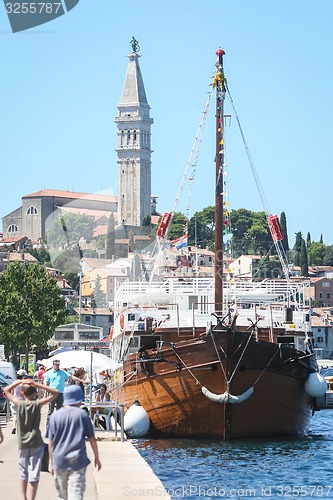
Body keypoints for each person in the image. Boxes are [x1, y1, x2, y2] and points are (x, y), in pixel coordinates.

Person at [4, 378, 59, 500]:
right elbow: (55, 392)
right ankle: (32, 498)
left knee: (23, 471)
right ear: (34, 393)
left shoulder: (19, 404)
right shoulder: (37, 404)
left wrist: (19, 382)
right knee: (34, 472)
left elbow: (6, 390)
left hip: (22, 442)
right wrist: (37, 384)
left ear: (22, 393)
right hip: (36, 442)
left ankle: (23, 497)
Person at [46, 384, 101, 499]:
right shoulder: (82, 415)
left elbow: (51, 442)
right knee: (76, 493)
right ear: (78, 400)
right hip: (77, 460)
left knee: (62, 495)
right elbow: (91, 438)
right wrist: (96, 456)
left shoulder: (55, 416)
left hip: (59, 460)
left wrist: (51, 463)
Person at [44, 360, 82, 424]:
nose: (57, 366)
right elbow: (47, 383)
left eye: (58, 365)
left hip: (61, 393)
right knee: (51, 410)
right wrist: (45, 393)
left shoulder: (63, 372)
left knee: (60, 410)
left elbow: (71, 377)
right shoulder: (49, 373)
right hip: (52, 393)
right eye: (56, 365)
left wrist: (81, 380)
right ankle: (48, 426)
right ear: (53, 365)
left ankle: (59, 424)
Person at [10, 368, 27, 434]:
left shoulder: (14, 382)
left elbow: (12, 391)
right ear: (22, 376)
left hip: (14, 399)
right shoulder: (23, 383)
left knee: (15, 415)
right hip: (21, 400)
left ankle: (14, 426)